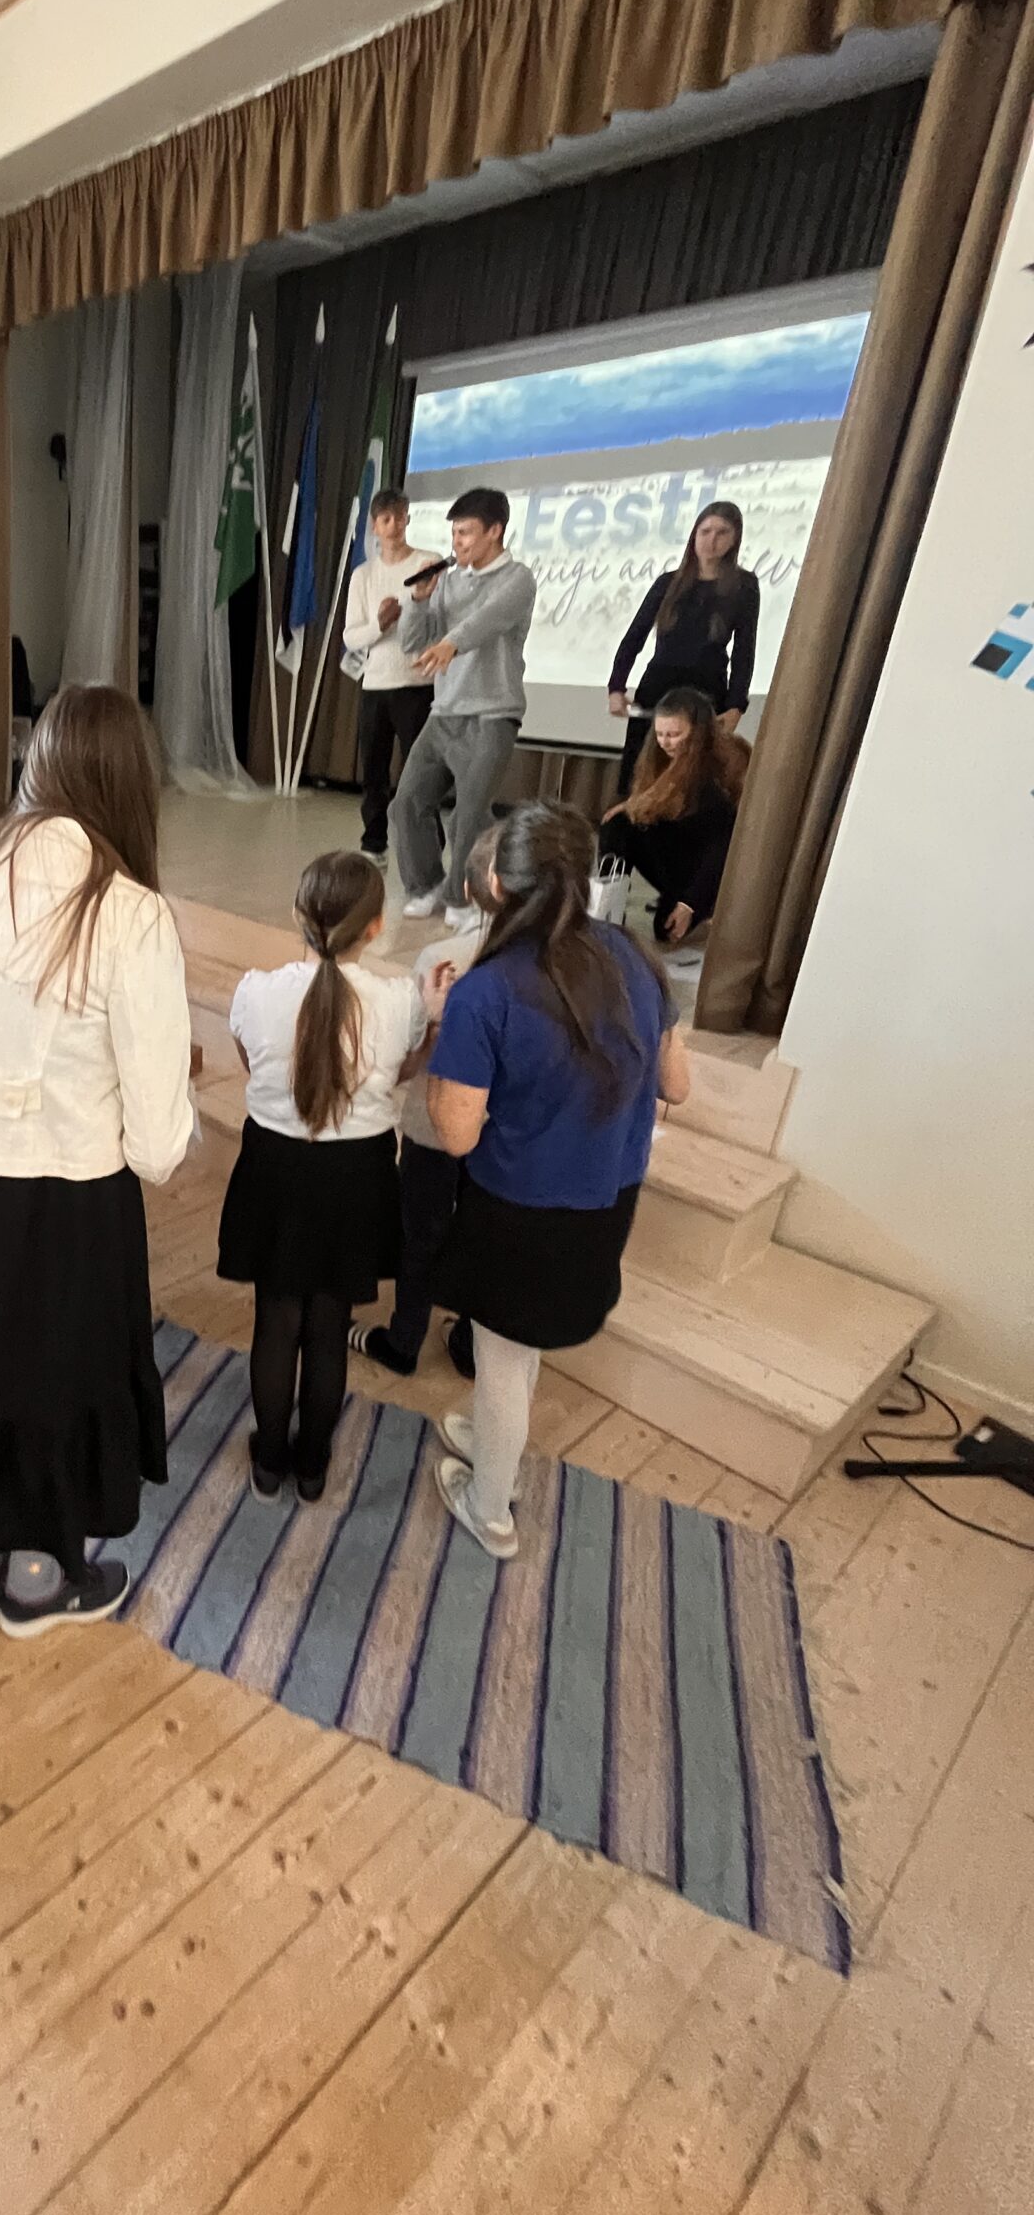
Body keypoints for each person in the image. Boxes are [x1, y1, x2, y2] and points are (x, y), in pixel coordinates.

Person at [0, 684, 194, 1637]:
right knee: (65, 1375)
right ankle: (38, 1580)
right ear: (128, 782)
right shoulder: (129, 913)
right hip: (72, 1192)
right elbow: (158, 1143)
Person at [423, 801, 690, 1558]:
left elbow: (456, 1133)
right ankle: (493, 1439)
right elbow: (677, 1085)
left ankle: (490, 1507)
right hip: (608, 1197)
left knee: (504, 1358)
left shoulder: (487, 991)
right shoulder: (636, 957)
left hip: (519, 1206)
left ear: (497, 886)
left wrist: (442, 1029)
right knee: (519, 1347)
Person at [218, 852, 440, 1503]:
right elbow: (400, 1074)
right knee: (328, 1325)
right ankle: (312, 1467)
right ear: (376, 927)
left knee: (275, 1320)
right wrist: (431, 1020)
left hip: (275, 1169)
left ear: (297, 917)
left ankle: (269, 1462)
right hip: (357, 1176)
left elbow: (254, 1065)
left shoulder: (256, 992)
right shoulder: (399, 1002)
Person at [350, 820, 503, 1380]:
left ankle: (405, 1338)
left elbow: (416, 1039)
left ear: (469, 890)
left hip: (434, 1123)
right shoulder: (546, 968)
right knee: (484, 1232)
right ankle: (467, 1341)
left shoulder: (443, 957)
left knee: (422, 1233)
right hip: (502, 1131)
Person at [393, 487, 538, 935]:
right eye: (454, 533)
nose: (457, 542)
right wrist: (419, 602)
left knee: (470, 812)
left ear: (495, 531)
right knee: (408, 801)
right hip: (444, 711)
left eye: (467, 533)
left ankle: (465, 895)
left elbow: (488, 619)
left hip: (493, 713)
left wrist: (452, 642)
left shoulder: (517, 578)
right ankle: (426, 886)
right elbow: (413, 643)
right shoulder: (449, 581)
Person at [607, 498, 758, 792]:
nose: (711, 540)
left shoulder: (744, 586)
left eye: (722, 533)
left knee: (692, 781)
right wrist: (616, 687)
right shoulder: (668, 583)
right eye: (705, 531)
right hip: (658, 689)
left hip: (706, 693)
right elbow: (634, 636)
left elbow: (744, 650)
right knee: (640, 776)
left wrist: (736, 706)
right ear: (694, 534)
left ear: (735, 539)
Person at [598, 685, 749, 947]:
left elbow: (719, 850)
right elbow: (655, 802)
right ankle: (608, 904)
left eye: (675, 735)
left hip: (705, 871)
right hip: (674, 858)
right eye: (660, 734)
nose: (665, 742)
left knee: (666, 931)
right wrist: (632, 807)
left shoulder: (717, 774)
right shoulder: (657, 758)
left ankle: (705, 911)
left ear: (698, 733)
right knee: (619, 823)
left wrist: (689, 904)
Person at [340, 489, 437, 861]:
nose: (394, 525)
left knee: (422, 774)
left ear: (408, 519)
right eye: (386, 519)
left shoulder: (427, 563)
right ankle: (373, 844)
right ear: (374, 526)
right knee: (374, 774)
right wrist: (380, 624)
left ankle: (428, 850)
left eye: (400, 517)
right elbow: (351, 636)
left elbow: (438, 620)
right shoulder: (364, 575)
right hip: (375, 685)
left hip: (417, 686)